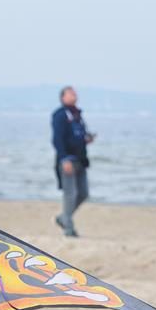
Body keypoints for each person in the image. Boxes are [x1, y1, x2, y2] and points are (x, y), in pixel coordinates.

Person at [51, 86, 95, 237]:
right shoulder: (60, 115)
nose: (74, 95)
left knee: (83, 193)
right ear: (63, 97)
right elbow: (57, 139)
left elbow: (77, 135)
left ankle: (63, 218)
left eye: (75, 93)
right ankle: (68, 229)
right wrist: (64, 159)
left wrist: (86, 139)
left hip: (80, 159)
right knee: (70, 194)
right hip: (67, 160)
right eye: (71, 93)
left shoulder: (77, 114)